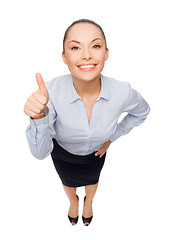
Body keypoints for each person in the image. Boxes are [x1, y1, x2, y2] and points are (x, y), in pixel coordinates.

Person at [24, 19, 150, 226]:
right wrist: (38, 118)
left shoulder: (123, 92)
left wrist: (112, 138)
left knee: (93, 179)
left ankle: (89, 202)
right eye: (75, 47)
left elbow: (142, 113)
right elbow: (40, 153)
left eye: (96, 46)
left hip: (96, 153)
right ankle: (73, 202)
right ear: (64, 57)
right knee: (67, 181)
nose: (86, 55)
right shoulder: (50, 93)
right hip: (62, 154)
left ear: (106, 53)